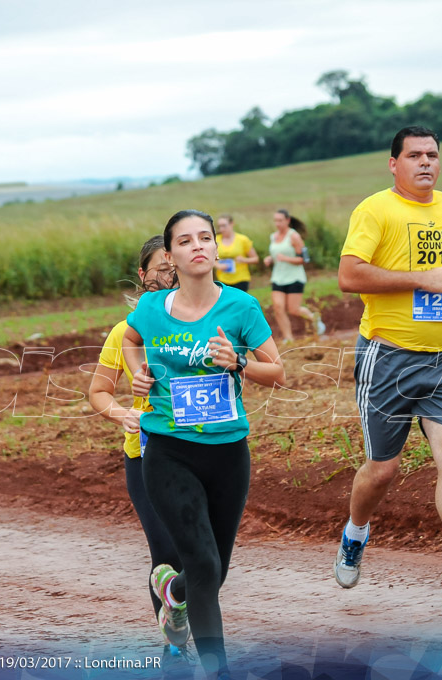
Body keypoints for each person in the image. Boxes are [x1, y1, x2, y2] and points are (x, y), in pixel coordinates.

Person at [333, 126, 442, 603]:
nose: (425, 163)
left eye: (432, 154)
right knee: (382, 470)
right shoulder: (375, 209)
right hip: (388, 358)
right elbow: (349, 274)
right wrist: (419, 279)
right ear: (394, 164)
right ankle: (355, 532)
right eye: (414, 156)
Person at [122, 209, 285, 678]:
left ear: (216, 248)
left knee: (214, 574)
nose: (198, 246)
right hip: (169, 450)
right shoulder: (152, 310)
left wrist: (238, 364)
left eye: (206, 238)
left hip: (228, 452)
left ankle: (175, 597)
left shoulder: (241, 308)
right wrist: (138, 370)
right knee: (202, 561)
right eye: (185, 240)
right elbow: (131, 339)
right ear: (171, 254)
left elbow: (277, 373)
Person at [88, 235, 187, 655]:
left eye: (174, 266)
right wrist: (122, 414)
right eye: (160, 268)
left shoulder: (201, 326)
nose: (169, 275)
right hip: (144, 454)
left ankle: (180, 613)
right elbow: (98, 392)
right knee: (165, 552)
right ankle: (176, 649)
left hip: (201, 451)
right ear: (144, 276)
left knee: (201, 558)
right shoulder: (123, 333)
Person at [263, 209, 324, 342]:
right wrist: (270, 259)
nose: (277, 223)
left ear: (287, 220)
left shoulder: (294, 236)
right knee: (278, 308)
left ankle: (314, 318)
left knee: (294, 309)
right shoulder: (273, 237)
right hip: (278, 278)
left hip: (294, 278)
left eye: (280, 220)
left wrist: (286, 258)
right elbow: (276, 255)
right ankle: (288, 338)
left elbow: (304, 259)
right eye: (275, 220)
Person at [213, 214, 258, 292]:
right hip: (222, 279)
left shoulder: (242, 240)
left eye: (224, 226)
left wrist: (244, 260)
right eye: (219, 226)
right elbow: (211, 258)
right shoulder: (215, 240)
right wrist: (217, 265)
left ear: (232, 224)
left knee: (240, 303)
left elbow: (255, 259)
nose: (222, 229)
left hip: (241, 278)